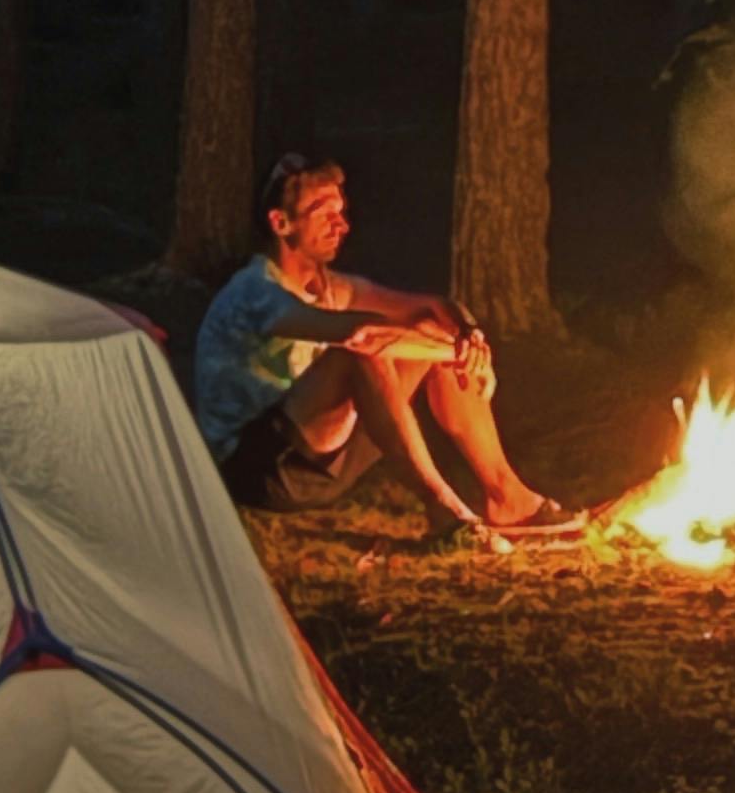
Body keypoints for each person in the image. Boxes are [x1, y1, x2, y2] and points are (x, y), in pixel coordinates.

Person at [194, 153, 578, 546]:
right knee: (365, 351)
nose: (340, 224)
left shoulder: (332, 287)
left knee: (429, 332)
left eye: (340, 212)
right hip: (257, 471)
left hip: (317, 460)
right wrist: (452, 351)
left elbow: (431, 307)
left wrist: (468, 335)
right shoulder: (256, 291)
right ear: (281, 223)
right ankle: (447, 514)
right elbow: (360, 334)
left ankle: (508, 499)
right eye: (322, 213)